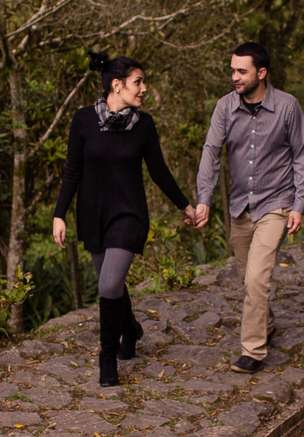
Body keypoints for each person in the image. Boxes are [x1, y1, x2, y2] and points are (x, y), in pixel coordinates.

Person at [53, 52, 196, 387]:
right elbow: (73, 171)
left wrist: (185, 206)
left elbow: (159, 171)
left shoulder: (144, 125)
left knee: (107, 285)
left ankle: (107, 360)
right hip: (93, 214)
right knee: (112, 284)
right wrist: (59, 214)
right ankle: (130, 328)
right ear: (116, 85)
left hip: (130, 216)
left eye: (142, 82)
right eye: (138, 82)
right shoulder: (83, 120)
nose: (143, 88)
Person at [194, 42, 304, 374]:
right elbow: (210, 151)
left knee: (258, 276)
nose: (234, 76)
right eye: (232, 70)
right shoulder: (224, 108)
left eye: (241, 71)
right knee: (248, 278)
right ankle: (267, 323)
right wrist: (204, 198)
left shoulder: (288, 107)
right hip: (239, 206)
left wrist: (299, 204)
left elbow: (303, 155)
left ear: (261, 73)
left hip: (276, 203)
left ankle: (253, 351)